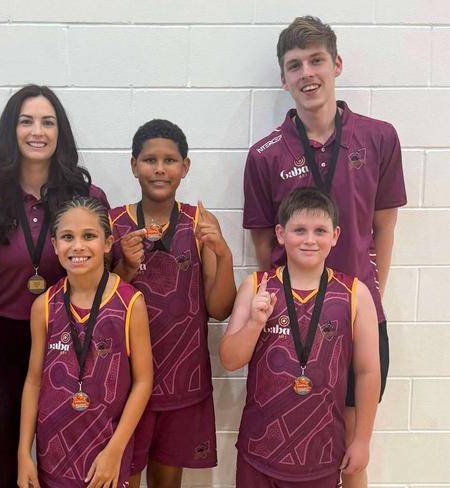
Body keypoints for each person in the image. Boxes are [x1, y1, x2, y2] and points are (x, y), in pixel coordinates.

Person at [242, 16, 406, 487]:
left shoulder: (379, 137)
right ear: (283, 78)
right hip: (288, 324)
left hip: (357, 316)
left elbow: (384, 227)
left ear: (336, 64)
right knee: (291, 440)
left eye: (316, 60)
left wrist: (368, 298)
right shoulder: (264, 154)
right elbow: (263, 244)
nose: (307, 73)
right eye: (295, 65)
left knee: (352, 452)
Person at [0, 85, 110, 487]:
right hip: (3, 344)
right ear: (12, 130)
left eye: (47, 121)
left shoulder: (86, 197)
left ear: (60, 131)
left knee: (68, 460)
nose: (36, 131)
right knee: (7, 467)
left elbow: (102, 280)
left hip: (70, 340)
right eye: (26, 121)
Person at [222, 187, 380, 486]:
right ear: (281, 234)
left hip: (321, 452)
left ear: (335, 236)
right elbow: (230, 360)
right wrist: (256, 322)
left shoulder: (355, 293)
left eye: (320, 230)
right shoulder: (257, 286)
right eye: (299, 230)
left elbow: (368, 371)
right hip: (259, 451)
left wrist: (362, 440)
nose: (309, 239)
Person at [109, 119, 236, 488]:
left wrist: (224, 255)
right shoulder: (115, 224)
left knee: (168, 483)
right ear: (134, 166)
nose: (160, 168)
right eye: (150, 160)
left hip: (181, 379)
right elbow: (100, 303)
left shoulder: (200, 223)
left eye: (170, 160)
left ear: (185, 166)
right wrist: (125, 267)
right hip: (125, 381)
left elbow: (219, 308)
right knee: (124, 478)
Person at [17, 196, 153, 487]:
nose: (77, 246)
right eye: (68, 237)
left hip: (106, 456)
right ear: (54, 245)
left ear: (107, 243)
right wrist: (23, 453)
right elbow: (34, 382)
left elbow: (143, 382)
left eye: (88, 236)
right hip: (52, 454)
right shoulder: (43, 306)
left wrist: (115, 450)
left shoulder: (130, 303)